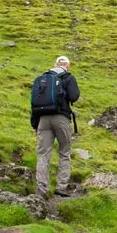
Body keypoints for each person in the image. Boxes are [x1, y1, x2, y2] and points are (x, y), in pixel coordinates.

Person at [31, 55, 80, 198]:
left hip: (43, 119)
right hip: (61, 118)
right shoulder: (68, 77)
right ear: (67, 65)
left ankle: (41, 190)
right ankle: (61, 187)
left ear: (55, 64)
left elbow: (34, 102)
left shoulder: (42, 79)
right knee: (64, 151)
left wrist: (35, 124)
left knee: (43, 154)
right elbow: (74, 96)